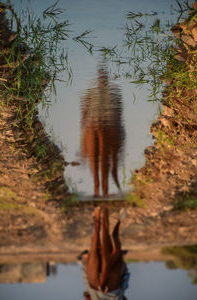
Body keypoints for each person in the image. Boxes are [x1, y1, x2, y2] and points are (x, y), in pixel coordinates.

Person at [80, 65, 125, 197]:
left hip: (98, 123)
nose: (102, 80)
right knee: (102, 158)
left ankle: (99, 188)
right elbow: (118, 113)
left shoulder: (92, 93)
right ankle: (101, 188)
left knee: (97, 159)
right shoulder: (111, 91)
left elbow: (83, 115)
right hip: (103, 123)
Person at [79, 207, 130, 300]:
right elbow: (87, 294)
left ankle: (119, 220)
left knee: (124, 277)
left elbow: (124, 285)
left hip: (113, 292)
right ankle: (97, 212)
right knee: (87, 281)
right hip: (95, 289)